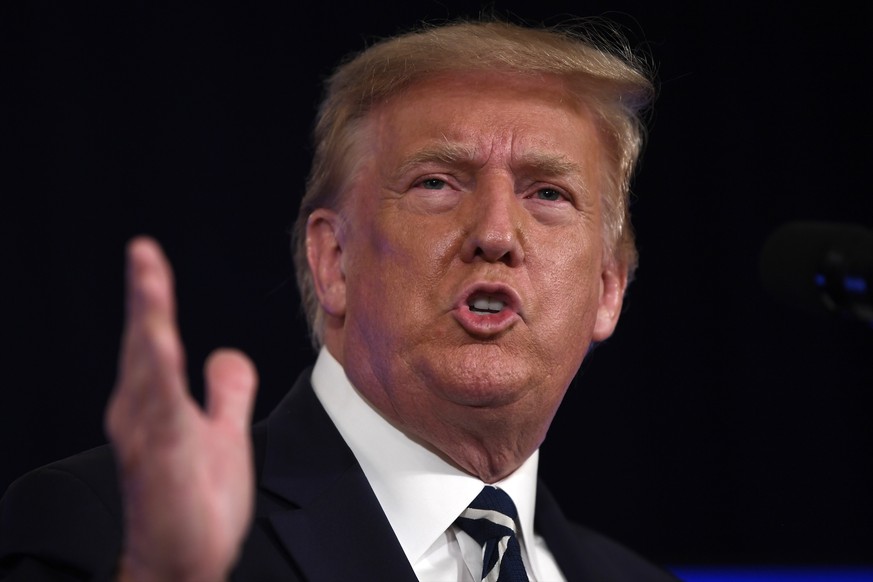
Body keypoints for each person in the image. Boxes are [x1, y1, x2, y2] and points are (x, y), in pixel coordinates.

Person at [0, 19, 678, 582]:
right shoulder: (109, 531)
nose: (496, 233)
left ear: (607, 290)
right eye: (437, 183)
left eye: (548, 194)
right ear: (334, 260)